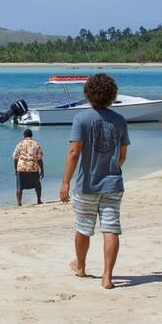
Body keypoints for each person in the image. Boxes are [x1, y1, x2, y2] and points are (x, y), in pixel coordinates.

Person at [59, 73, 130, 289]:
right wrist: (111, 169)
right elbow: (122, 156)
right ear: (112, 95)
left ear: (88, 93)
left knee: (83, 227)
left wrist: (65, 182)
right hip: (112, 184)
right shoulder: (120, 120)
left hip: (87, 184)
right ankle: (107, 277)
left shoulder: (82, 119)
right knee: (111, 228)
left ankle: (80, 266)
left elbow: (74, 153)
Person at [12, 128, 44, 206]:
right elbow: (39, 159)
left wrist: (16, 168)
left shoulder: (20, 144)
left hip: (21, 167)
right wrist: (42, 170)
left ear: (24, 135)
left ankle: (19, 203)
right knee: (37, 185)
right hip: (33, 167)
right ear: (31, 135)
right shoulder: (36, 144)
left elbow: (15, 158)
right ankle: (39, 200)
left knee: (19, 186)